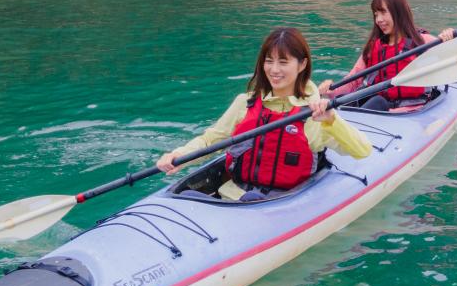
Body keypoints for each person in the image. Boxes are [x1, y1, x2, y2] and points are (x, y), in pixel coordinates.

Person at [157, 27, 371, 202]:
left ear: (302, 64)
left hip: (280, 202)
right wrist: (178, 157)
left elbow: (362, 151)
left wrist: (332, 121)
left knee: (251, 198)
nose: (274, 69)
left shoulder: (315, 112)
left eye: (283, 62)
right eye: (269, 61)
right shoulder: (246, 103)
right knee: (187, 195)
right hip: (232, 195)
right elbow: (211, 140)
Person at [338, 0, 456, 112]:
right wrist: (328, 92)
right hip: (379, 109)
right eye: (376, 14)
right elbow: (353, 80)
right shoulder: (373, 47)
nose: (378, 19)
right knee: (360, 100)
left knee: (376, 101)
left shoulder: (422, 42)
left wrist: (450, 41)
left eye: (383, 12)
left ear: (398, 12)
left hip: (411, 111)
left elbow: (455, 59)